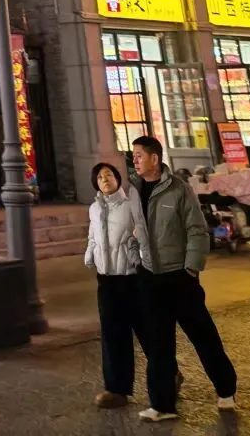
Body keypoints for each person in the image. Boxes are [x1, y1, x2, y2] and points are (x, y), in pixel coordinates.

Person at [130, 134, 237, 422]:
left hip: (179, 276)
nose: (135, 160)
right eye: (133, 155)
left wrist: (191, 268)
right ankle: (162, 405)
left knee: (203, 336)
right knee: (158, 344)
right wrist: (134, 258)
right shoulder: (134, 189)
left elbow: (196, 229)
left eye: (139, 155)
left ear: (155, 158)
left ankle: (226, 389)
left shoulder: (179, 189)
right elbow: (134, 229)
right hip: (149, 276)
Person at [84, 162, 145, 408]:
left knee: (146, 331)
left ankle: (168, 373)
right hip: (106, 279)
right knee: (112, 333)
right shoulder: (94, 209)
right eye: (100, 177)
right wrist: (90, 254)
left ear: (118, 179)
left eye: (108, 174)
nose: (105, 179)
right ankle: (116, 389)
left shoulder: (131, 205)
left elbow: (142, 233)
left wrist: (136, 255)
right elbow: (92, 235)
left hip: (131, 277)